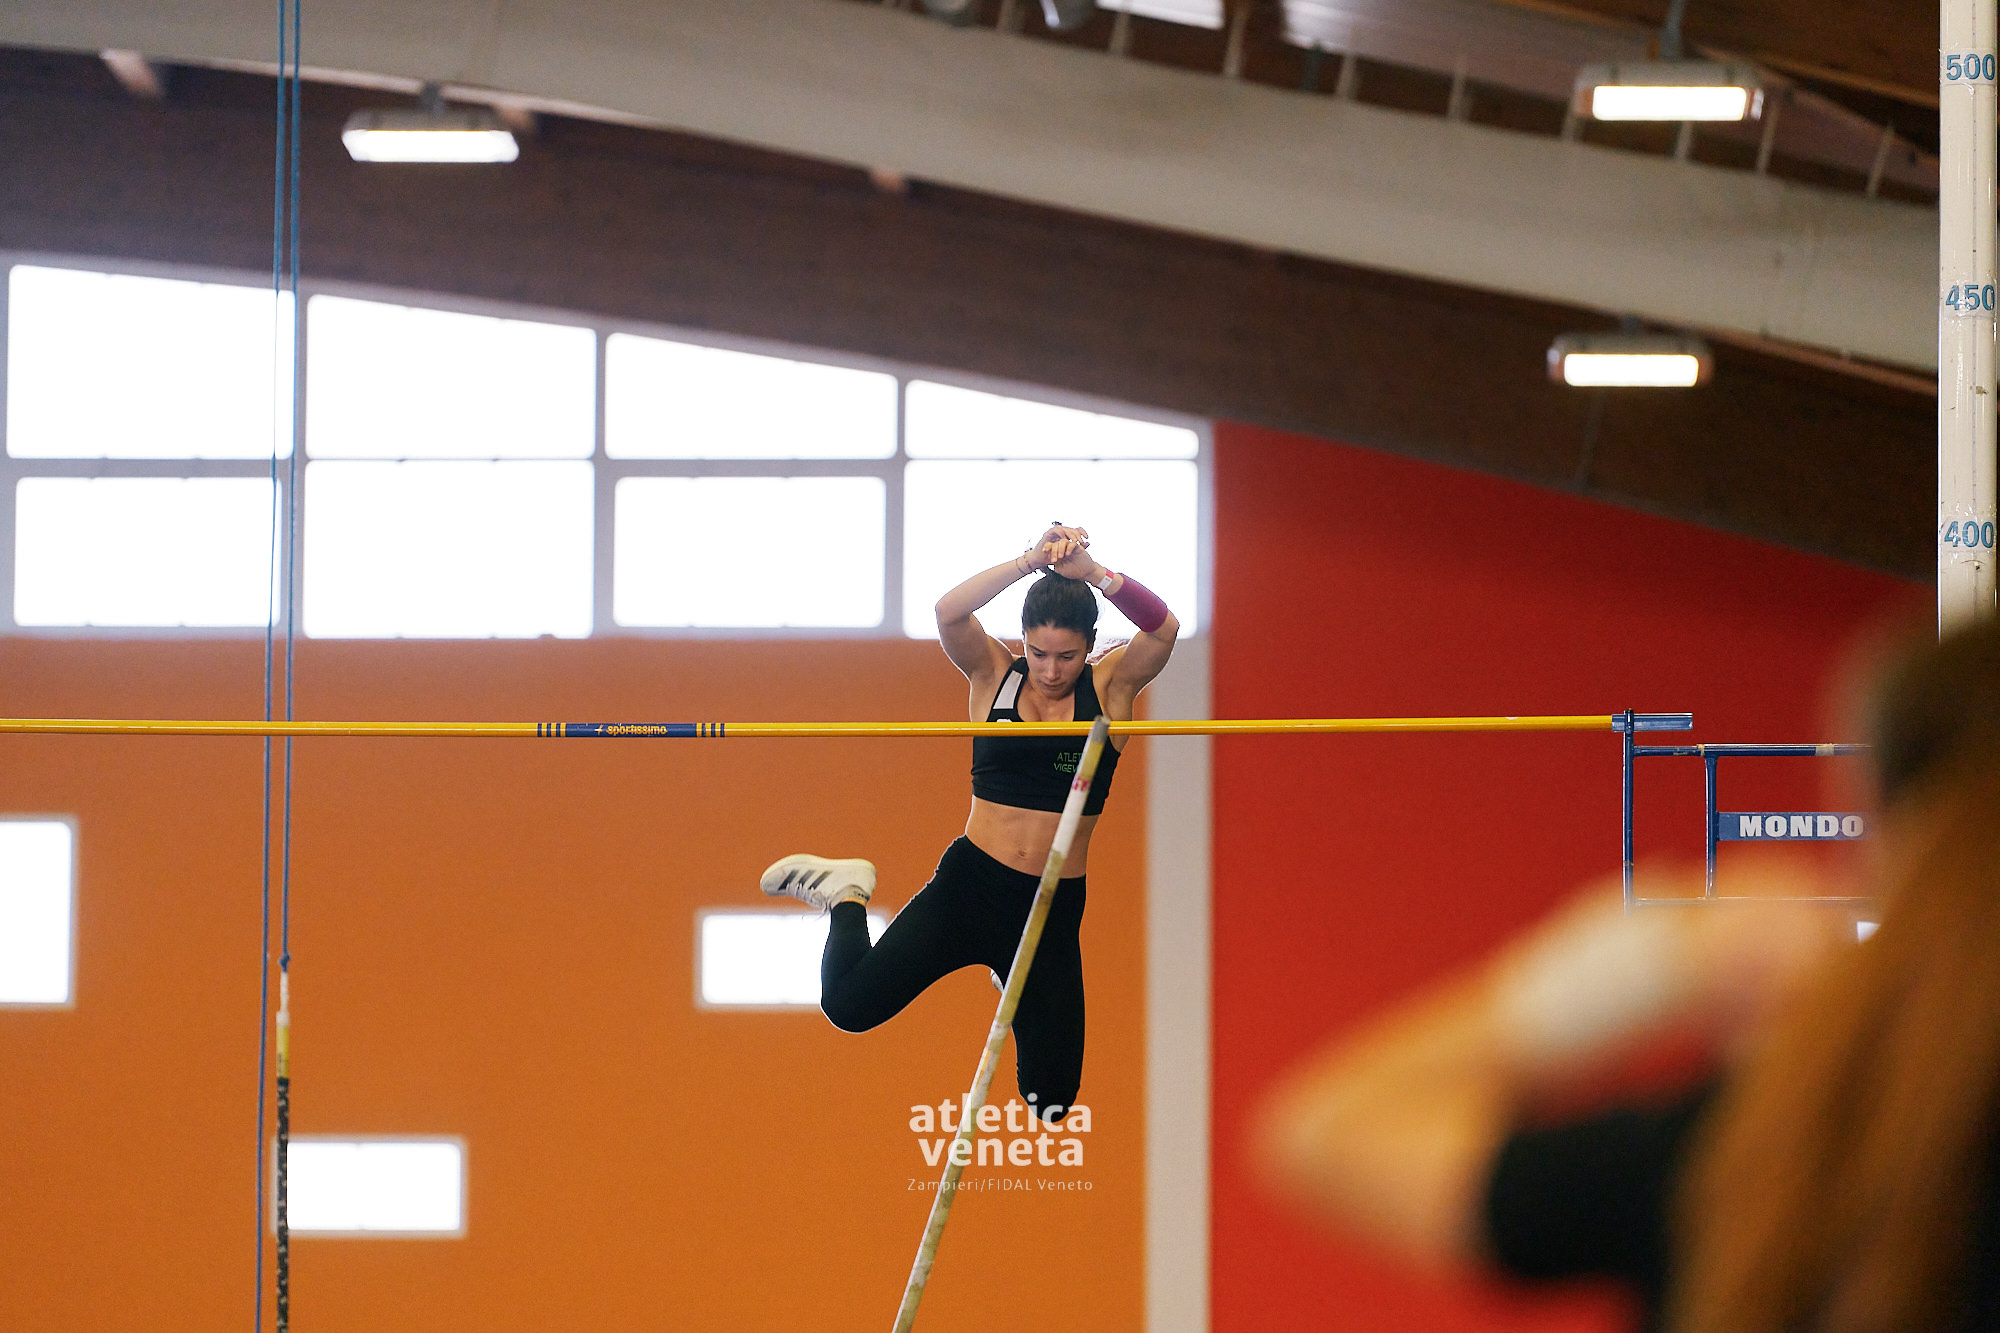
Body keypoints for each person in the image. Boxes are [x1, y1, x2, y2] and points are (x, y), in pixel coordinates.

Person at [1251, 616, 2000, 1333]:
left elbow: (1334, 1130)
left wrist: (1668, 957)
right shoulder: (1776, 1146)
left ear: (1888, 834)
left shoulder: (1768, 1156)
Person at [759, 523, 1179, 1111]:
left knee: (1050, 1099)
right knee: (850, 1007)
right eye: (1038, 653)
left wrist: (1095, 574)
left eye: (1066, 656)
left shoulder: (1110, 688)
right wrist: (1029, 561)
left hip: (1049, 906)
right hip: (972, 886)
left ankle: (1012, 975)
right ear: (1023, 641)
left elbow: (1163, 629)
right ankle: (845, 893)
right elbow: (948, 612)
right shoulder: (994, 676)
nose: (1050, 671)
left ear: (1089, 646)